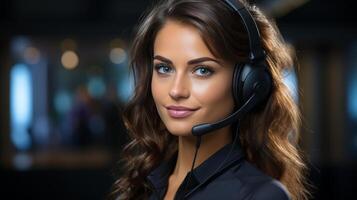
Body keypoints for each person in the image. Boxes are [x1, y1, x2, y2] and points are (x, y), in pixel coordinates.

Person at [109, 0, 311, 199]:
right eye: (164, 68)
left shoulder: (261, 195)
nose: (176, 90)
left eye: (202, 70)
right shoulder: (143, 185)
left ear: (247, 83)